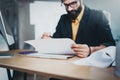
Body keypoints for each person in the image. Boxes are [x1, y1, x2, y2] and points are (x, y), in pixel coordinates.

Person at [41, 0, 115, 58]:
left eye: (72, 3)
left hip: (89, 65)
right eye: (65, 5)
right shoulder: (63, 18)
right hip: (65, 64)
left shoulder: (98, 16)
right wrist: (49, 41)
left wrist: (91, 50)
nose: (69, 9)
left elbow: (110, 44)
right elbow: (58, 40)